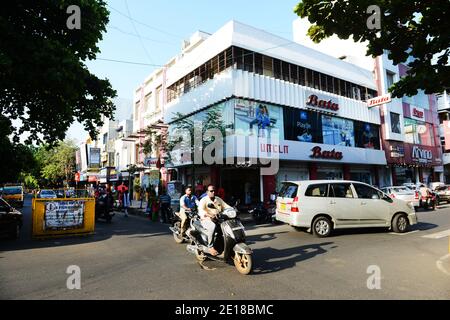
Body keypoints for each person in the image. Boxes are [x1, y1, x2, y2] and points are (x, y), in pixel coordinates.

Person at [198, 184, 231, 256]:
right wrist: (209, 215)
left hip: (218, 219)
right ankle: (210, 247)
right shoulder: (204, 200)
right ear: (207, 192)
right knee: (212, 227)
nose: (213, 192)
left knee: (228, 227)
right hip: (206, 219)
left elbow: (226, 206)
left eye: (214, 191)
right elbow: (201, 210)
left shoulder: (218, 199)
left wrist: (233, 210)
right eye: (211, 191)